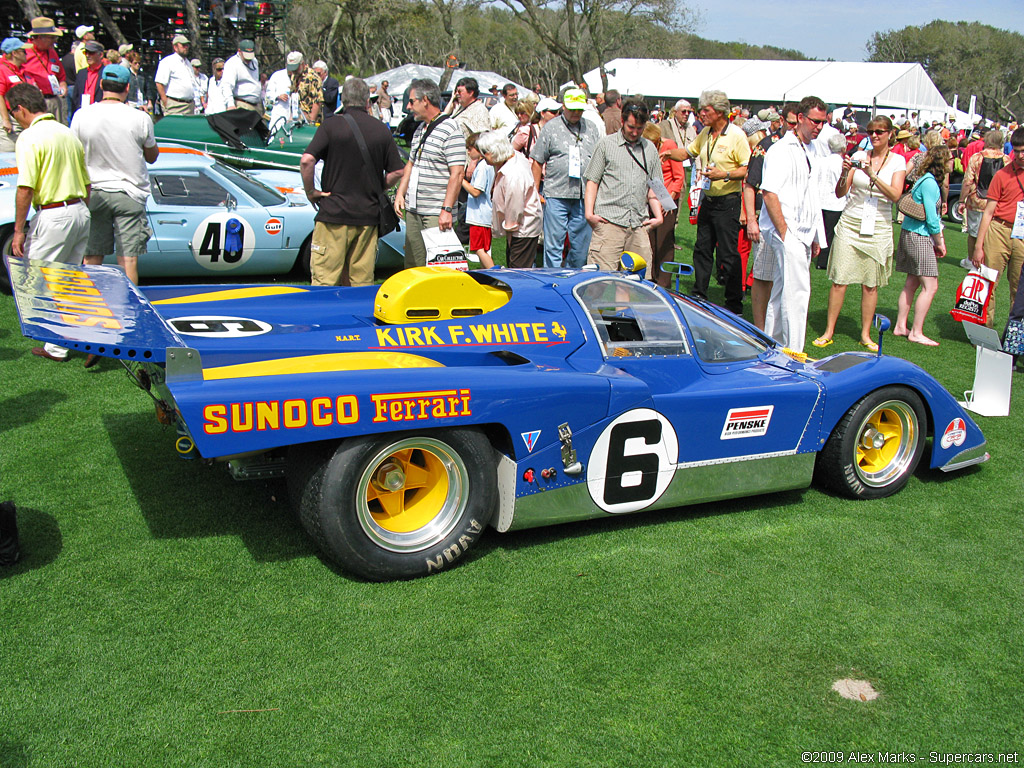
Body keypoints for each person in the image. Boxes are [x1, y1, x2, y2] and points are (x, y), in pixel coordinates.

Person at [8, 83, 91, 362]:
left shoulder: (30, 137)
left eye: (12, 112)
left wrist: (19, 231)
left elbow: (25, 188)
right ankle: (78, 336)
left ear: (20, 109)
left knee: (40, 280)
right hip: (79, 209)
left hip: (54, 213)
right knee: (68, 280)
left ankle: (56, 345)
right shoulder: (68, 133)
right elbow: (87, 182)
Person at [813, 115, 906, 350]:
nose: (874, 136)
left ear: (889, 134)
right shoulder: (858, 156)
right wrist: (846, 172)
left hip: (879, 225)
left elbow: (896, 195)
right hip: (851, 222)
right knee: (839, 279)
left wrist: (872, 175)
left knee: (870, 283)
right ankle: (828, 331)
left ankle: (865, 334)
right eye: (871, 131)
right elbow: (840, 192)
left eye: (880, 132)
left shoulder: (897, 162)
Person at [300, 77, 404, 287]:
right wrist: (379, 186)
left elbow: (307, 161)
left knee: (324, 281)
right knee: (361, 282)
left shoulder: (331, 125)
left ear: (343, 100)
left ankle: (324, 320)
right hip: (367, 215)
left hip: (334, 213)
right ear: (368, 101)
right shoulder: (381, 129)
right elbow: (397, 171)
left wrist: (311, 191)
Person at [72, 63, 158, 297]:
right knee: (128, 259)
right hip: (129, 192)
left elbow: (75, 153)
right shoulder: (140, 118)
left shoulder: (81, 115)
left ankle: (90, 305)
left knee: (92, 256)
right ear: (127, 88)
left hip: (93, 191)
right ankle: (129, 308)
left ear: (101, 85)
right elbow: (152, 156)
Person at [662, 89, 751, 314]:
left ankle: (733, 303)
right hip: (708, 200)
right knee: (702, 249)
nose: (701, 114)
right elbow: (688, 153)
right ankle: (699, 295)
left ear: (721, 112)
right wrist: (666, 153)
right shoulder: (706, 133)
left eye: (706, 110)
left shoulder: (736, 135)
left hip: (728, 201)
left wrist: (725, 175)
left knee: (728, 254)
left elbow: (747, 169)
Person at [759, 95, 828, 352]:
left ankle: (771, 347)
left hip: (804, 230)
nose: (818, 127)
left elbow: (813, 196)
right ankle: (794, 353)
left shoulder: (813, 149)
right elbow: (769, 193)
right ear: (800, 118)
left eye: (823, 122)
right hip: (785, 230)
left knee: (781, 292)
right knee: (797, 293)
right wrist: (785, 233)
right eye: (814, 121)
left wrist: (817, 236)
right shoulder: (780, 149)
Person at [584, 99, 664, 272]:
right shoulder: (606, 144)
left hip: (638, 224)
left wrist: (658, 216)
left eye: (639, 128)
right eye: (631, 127)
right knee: (600, 281)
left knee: (638, 284)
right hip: (608, 223)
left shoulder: (650, 149)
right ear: (622, 121)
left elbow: (656, 186)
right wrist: (589, 214)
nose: (635, 132)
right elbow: (592, 180)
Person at [394, 78, 466, 268]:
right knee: (413, 264)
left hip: (436, 211)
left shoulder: (451, 129)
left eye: (412, 101)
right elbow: (410, 164)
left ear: (425, 100)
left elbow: (457, 173)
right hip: (414, 209)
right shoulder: (419, 130)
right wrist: (400, 193)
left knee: (438, 266)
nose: (409, 107)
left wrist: (447, 210)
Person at [531, 88, 599, 268]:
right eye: (573, 109)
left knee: (580, 250)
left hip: (584, 196)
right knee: (553, 247)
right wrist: (535, 192)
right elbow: (537, 161)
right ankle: (552, 283)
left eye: (580, 109)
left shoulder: (591, 128)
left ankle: (572, 281)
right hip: (556, 194)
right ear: (564, 107)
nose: (576, 113)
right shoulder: (551, 128)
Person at [893, 145, 950, 346]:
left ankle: (901, 325)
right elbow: (932, 218)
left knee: (912, 282)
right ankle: (916, 331)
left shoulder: (922, 179)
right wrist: (939, 242)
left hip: (909, 233)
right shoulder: (931, 184)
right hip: (919, 236)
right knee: (930, 285)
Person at [971, 127, 1024, 327]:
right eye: (1017, 150)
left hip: (1022, 234)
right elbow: (989, 212)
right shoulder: (1002, 174)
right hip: (999, 229)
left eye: (1023, 150)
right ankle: (984, 331)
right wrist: (979, 245)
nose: (1020, 155)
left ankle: (1015, 334)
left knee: (1019, 289)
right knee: (988, 282)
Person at [479, 130, 542, 268]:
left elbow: (515, 209)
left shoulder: (513, 174)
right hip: (519, 227)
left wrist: (509, 232)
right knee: (516, 267)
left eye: (485, 153)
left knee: (517, 272)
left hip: (522, 229)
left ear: (495, 151)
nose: (483, 157)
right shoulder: (513, 159)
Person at [643, 122, 683, 287]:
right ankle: (649, 277)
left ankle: (664, 281)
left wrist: (667, 200)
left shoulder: (669, 146)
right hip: (646, 197)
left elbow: (678, 177)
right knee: (648, 240)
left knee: (664, 241)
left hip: (666, 196)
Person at [962, 130, 1009, 270]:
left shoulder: (977, 158)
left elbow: (967, 181)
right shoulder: (1007, 160)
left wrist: (961, 200)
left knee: (973, 233)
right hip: (997, 202)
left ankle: (971, 260)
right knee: (991, 234)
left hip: (977, 200)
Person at [22, 18, 67, 124]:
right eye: (51, 37)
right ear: (38, 37)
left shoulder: (52, 52)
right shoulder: (24, 52)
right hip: (36, 103)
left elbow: (61, 75)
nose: (55, 40)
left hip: (55, 100)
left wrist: (63, 84)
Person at [462, 132, 495, 268]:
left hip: (479, 216)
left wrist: (461, 180)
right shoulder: (487, 165)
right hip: (483, 214)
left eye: (470, 149)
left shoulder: (482, 167)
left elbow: (476, 191)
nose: (468, 152)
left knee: (478, 249)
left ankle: (494, 274)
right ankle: (486, 275)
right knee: (483, 249)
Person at [155, 34, 195, 116]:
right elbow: (159, 83)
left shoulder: (188, 63)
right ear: (175, 47)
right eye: (183, 45)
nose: (186, 47)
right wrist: (165, 101)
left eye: (187, 45)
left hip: (189, 105)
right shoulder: (167, 61)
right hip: (175, 105)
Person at [0, 38, 28, 152]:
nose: (27, 54)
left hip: (20, 117)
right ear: (14, 53)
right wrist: (6, 120)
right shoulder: (2, 69)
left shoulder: (19, 70)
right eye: (24, 51)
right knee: (10, 150)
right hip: (10, 118)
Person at [222, 39, 262, 114]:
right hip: (242, 104)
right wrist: (230, 104)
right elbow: (227, 85)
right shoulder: (232, 63)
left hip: (256, 104)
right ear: (239, 51)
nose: (248, 60)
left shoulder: (254, 61)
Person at [72, 40, 105, 113]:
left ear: (101, 55)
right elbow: (75, 96)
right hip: (82, 112)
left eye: (91, 53)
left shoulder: (106, 73)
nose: (87, 55)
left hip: (99, 114)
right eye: (85, 52)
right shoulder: (81, 73)